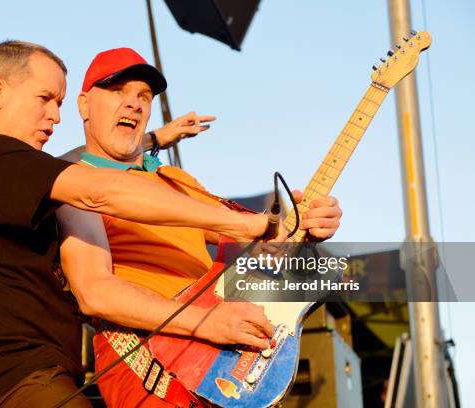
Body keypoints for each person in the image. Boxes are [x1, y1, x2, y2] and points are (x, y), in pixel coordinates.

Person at [0, 41, 272, 408]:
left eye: (59, 103)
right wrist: (242, 226)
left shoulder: (5, 170)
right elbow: (97, 192)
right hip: (13, 385)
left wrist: (291, 222)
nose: (56, 116)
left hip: (45, 379)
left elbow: (92, 167)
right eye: (45, 98)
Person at [57, 48, 343, 407]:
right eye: (117, 91)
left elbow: (251, 242)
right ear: (83, 105)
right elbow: (95, 293)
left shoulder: (176, 179)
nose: (133, 103)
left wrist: (301, 227)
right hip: (147, 358)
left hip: (217, 353)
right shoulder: (73, 182)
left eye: (143, 96)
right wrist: (204, 322)